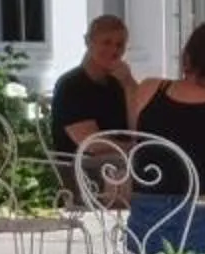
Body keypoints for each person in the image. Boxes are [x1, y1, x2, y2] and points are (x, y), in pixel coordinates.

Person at [119, 19, 205, 254]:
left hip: (145, 230)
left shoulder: (148, 89)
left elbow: (138, 146)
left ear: (187, 56)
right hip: (203, 228)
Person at [49, 15, 139, 160]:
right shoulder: (71, 85)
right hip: (82, 165)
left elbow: (138, 127)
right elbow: (92, 144)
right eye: (106, 43)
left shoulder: (117, 82)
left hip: (122, 160)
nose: (113, 50)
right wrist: (136, 149)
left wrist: (129, 85)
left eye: (119, 45)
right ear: (88, 42)